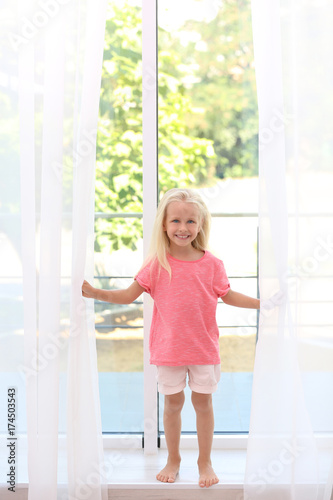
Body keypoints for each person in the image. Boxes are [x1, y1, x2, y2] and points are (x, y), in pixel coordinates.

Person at [82, 188, 260, 488]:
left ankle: (205, 461)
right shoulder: (156, 264)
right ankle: (173, 459)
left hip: (204, 349)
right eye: (176, 220)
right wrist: (95, 293)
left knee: (203, 405)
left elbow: (227, 295)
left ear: (201, 225)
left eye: (191, 221)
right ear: (164, 224)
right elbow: (128, 296)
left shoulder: (212, 264)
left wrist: (260, 303)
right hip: (168, 351)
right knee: (172, 405)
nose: (183, 228)